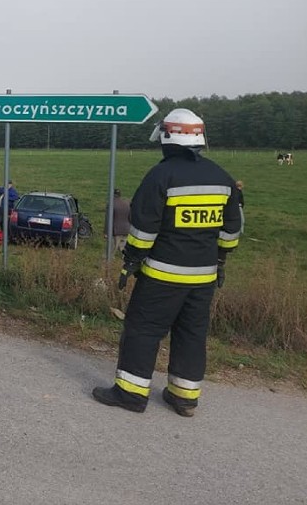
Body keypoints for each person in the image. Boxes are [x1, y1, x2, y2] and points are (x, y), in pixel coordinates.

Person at [92, 108, 241, 416]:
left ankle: (130, 394)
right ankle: (184, 396)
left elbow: (144, 228)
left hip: (163, 275)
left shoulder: (161, 176)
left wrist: (130, 262)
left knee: (142, 329)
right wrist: (220, 260)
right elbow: (231, 232)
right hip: (203, 278)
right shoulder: (222, 177)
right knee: (191, 333)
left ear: (168, 137)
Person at [105, 188, 131, 255]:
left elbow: (108, 219)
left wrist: (106, 232)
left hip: (116, 230)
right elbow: (130, 217)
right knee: (123, 247)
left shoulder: (111, 204)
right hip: (126, 229)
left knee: (111, 251)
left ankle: (109, 261)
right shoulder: (126, 203)